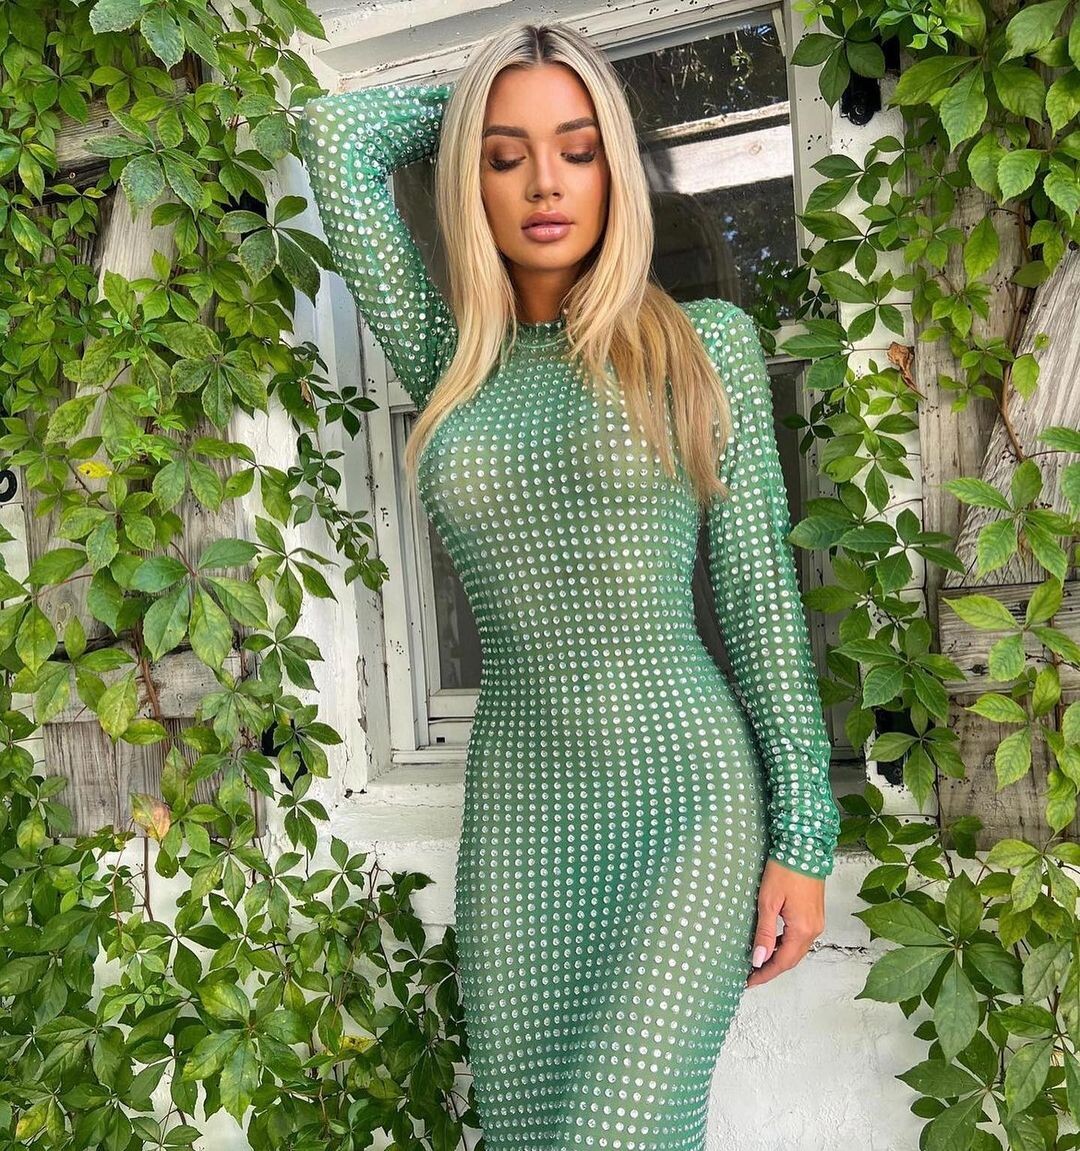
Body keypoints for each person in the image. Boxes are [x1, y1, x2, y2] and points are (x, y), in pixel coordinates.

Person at [297, 18, 841, 1151]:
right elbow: (337, 136)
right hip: (522, 818)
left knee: (612, 1130)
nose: (545, 181)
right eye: (505, 156)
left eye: (579, 148)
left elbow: (758, 602)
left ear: (615, 171)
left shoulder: (701, 344)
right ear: (469, 180)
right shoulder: (454, 358)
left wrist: (803, 831)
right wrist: (475, 100)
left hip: (685, 802)